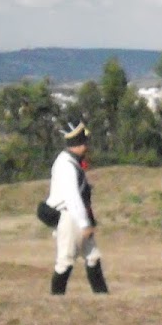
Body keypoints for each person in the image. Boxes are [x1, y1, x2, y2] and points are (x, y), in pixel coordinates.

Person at [46, 121, 108, 295]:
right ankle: (56, 298)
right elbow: (72, 197)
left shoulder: (70, 162)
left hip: (76, 216)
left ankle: (102, 296)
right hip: (70, 217)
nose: (87, 146)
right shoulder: (66, 165)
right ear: (79, 143)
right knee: (65, 261)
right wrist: (84, 223)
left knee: (93, 257)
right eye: (84, 142)